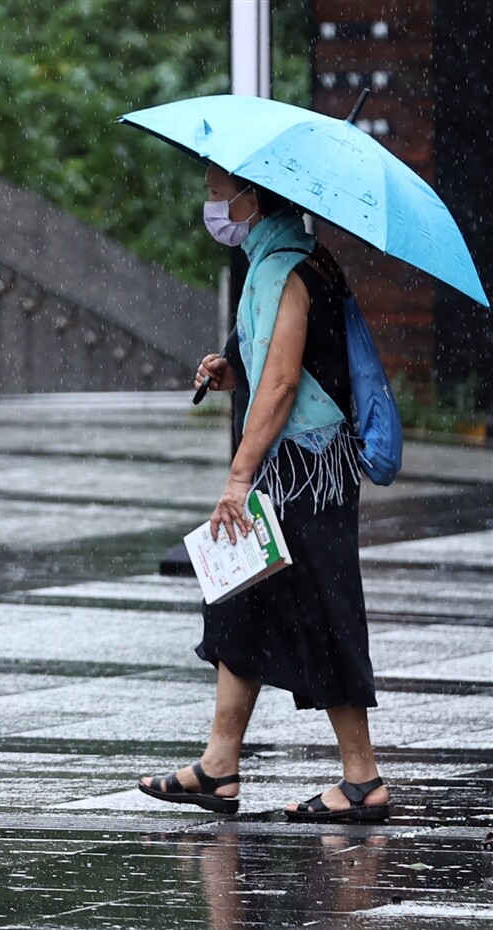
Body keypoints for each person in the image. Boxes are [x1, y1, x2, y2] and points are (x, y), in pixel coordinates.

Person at [138, 163, 390, 823]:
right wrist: (232, 368)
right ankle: (219, 765)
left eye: (219, 192)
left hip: (304, 469)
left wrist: (237, 478)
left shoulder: (285, 270)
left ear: (254, 197)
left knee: (326, 608)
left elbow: (281, 386)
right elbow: (288, 363)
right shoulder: (294, 258)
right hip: (297, 465)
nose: (212, 203)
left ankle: (362, 780)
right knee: (237, 599)